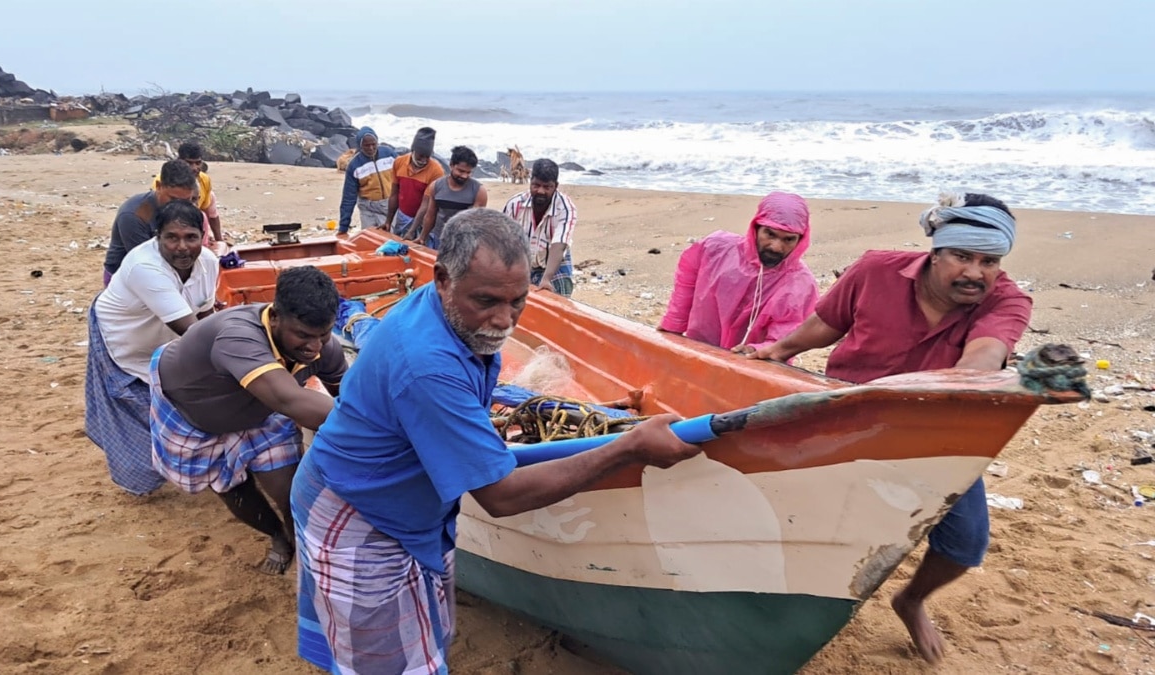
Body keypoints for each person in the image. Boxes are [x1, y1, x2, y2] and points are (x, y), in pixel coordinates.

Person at [291, 209, 702, 674]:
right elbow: (500, 497)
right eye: (486, 301)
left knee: (419, 635)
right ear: (443, 278)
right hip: (359, 507)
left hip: (400, 499)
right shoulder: (428, 365)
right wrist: (628, 448)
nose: (503, 321)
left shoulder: (446, 313)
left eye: (518, 302)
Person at [746, 192, 1031, 664]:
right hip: (847, 414)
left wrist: (970, 382)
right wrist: (775, 351)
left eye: (989, 261)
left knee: (965, 545)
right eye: (962, 256)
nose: (976, 273)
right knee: (801, 516)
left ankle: (912, 599)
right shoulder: (876, 269)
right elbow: (825, 323)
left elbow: (983, 356)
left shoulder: (1008, 300)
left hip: (939, 434)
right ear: (934, 253)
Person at [150, 266, 347, 575]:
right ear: (276, 316)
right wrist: (381, 427)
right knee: (233, 487)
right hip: (195, 413)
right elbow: (290, 400)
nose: (315, 347)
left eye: (323, 334)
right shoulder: (237, 335)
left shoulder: (324, 346)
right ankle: (277, 536)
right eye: (304, 336)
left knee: (290, 488)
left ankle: (301, 542)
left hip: (261, 410)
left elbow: (348, 397)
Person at [85, 200, 220, 495]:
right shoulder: (145, 267)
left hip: (166, 341)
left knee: (175, 404)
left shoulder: (209, 262)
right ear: (156, 237)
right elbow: (194, 332)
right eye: (171, 237)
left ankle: (189, 463)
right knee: (136, 411)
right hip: (124, 336)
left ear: (202, 237)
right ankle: (142, 478)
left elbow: (206, 314)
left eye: (190, 238)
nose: (182, 247)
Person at [658, 192, 817, 351]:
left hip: (754, 365)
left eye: (788, 239)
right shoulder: (715, 249)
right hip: (700, 350)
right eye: (769, 234)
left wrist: (758, 350)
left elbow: (787, 337)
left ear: (800, 240)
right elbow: (687, 285)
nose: (776, 247)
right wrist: (673, 325)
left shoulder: (800, 284)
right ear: (756, 228)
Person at [104, 159, 197, 286]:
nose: (179, 206)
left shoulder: (187, 209)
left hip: (169, 270)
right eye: (173, 199)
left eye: (186, 200)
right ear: (159, 186)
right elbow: (143, 263)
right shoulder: (134, 215)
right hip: (126, 276)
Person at [502, 159, 578, 297]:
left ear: (555, 186)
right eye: (536, 185)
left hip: (554, 258)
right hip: (523, 259)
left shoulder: (566, 208)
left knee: (559, 294)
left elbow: (559, 245)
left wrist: (546, 279)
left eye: (547, 187)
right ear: (530, 182)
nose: (540, 191)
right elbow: (503, 243)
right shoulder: (514, 205)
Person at [411, 145, 488, 248]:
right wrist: (422, 237)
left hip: (463, 244)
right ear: (451, 165)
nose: (464, 176)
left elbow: (475, 223)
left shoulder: (479, 191)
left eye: (468, 172)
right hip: (439, 239)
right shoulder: (436, 186)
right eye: (461, 171)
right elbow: (430, 215)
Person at [151, 141, 224, 246]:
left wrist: (219, 242)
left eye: (198, 163)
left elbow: (207, 212)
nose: (194, 168)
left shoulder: (204, 180)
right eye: (189, 163)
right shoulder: (165, 182)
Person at [383, 127, 445, 238]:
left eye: (427, 156)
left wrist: (412, 230)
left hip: (424, 220)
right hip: (403, 216)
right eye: (421, 156)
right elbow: (394, 194)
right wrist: (388, 221)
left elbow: (426, 205)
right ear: (413, 150)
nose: (424, 160)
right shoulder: (399, 162)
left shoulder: (436, 171)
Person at [337, 126, 396, 234]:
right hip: (368, 208)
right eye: (366, 145)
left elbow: (403, 176)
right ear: (360, 146)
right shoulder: (354, 165)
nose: (371, 148)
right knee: (371, 239)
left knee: (390, 239)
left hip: (389, 206)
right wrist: (343, 227)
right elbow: (348, 197)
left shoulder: (389, 154)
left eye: (374, 144)